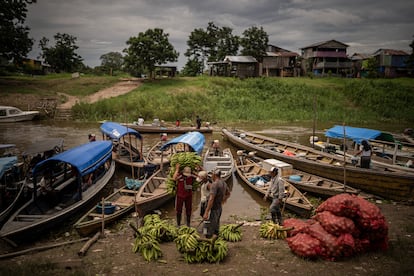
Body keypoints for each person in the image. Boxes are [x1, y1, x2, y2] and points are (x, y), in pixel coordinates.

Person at [203, 169, 231, 238]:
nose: (211, 176)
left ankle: (209, 241)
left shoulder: (214, 185)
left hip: (213, 209)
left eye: (212, 174)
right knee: (216, 225)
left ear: (214, 175)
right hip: (219, 208)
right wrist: (223, 201)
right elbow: (228, 193)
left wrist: (206, 212)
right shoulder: (223, 183)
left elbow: (211, 199)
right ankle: (215, 237)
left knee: (209, 227)